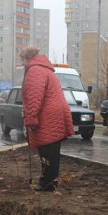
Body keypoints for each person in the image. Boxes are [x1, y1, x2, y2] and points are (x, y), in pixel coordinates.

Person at [19, 45, 74, 192]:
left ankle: (47, 183)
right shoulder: (44, 68)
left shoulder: (35, 70)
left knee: (47, 150)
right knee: (52, 150)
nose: (22, 64)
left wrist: (30, 118)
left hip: (47, 115)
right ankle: (50, 181)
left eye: (22, 60)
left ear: (27, 58)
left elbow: (33, 97)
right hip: (55, 113)